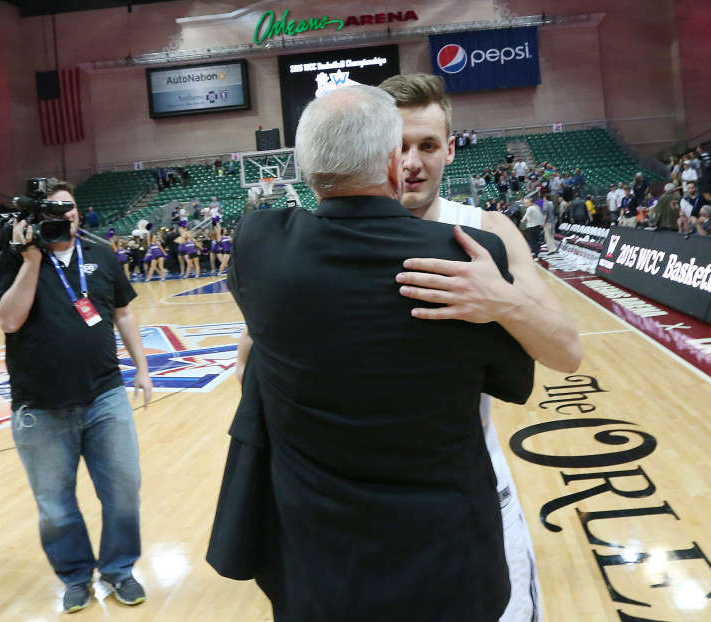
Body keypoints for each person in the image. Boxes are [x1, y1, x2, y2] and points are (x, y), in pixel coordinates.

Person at [208, 84, 535, 622]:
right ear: (391, 162)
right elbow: (512, 382)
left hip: (317, 564)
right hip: (447, 558)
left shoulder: (258, 244)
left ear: (306, 166)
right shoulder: (465, 256)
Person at [379, 73, 582, 622]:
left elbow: (567, 352)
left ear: (450, 148)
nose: (413, 161)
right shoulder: (330, 238)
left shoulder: (487, 230)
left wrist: (502, 302)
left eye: (426, 144)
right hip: (368, 505)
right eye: (398, 146)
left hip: (473, 492)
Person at [0, 178, 152, 613]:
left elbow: (123, 311)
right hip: (39, 407)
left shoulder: (100, 252)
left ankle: (119, 569)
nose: (65, 215)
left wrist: (142, 367)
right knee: (56, 505)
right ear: (39, 216)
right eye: (55, 209)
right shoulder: (12, 256)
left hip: (105, 396)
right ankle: (76, 577)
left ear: (79, 211)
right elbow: (7, 321)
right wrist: (29, 261)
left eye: (71, 206)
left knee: (123, 490)